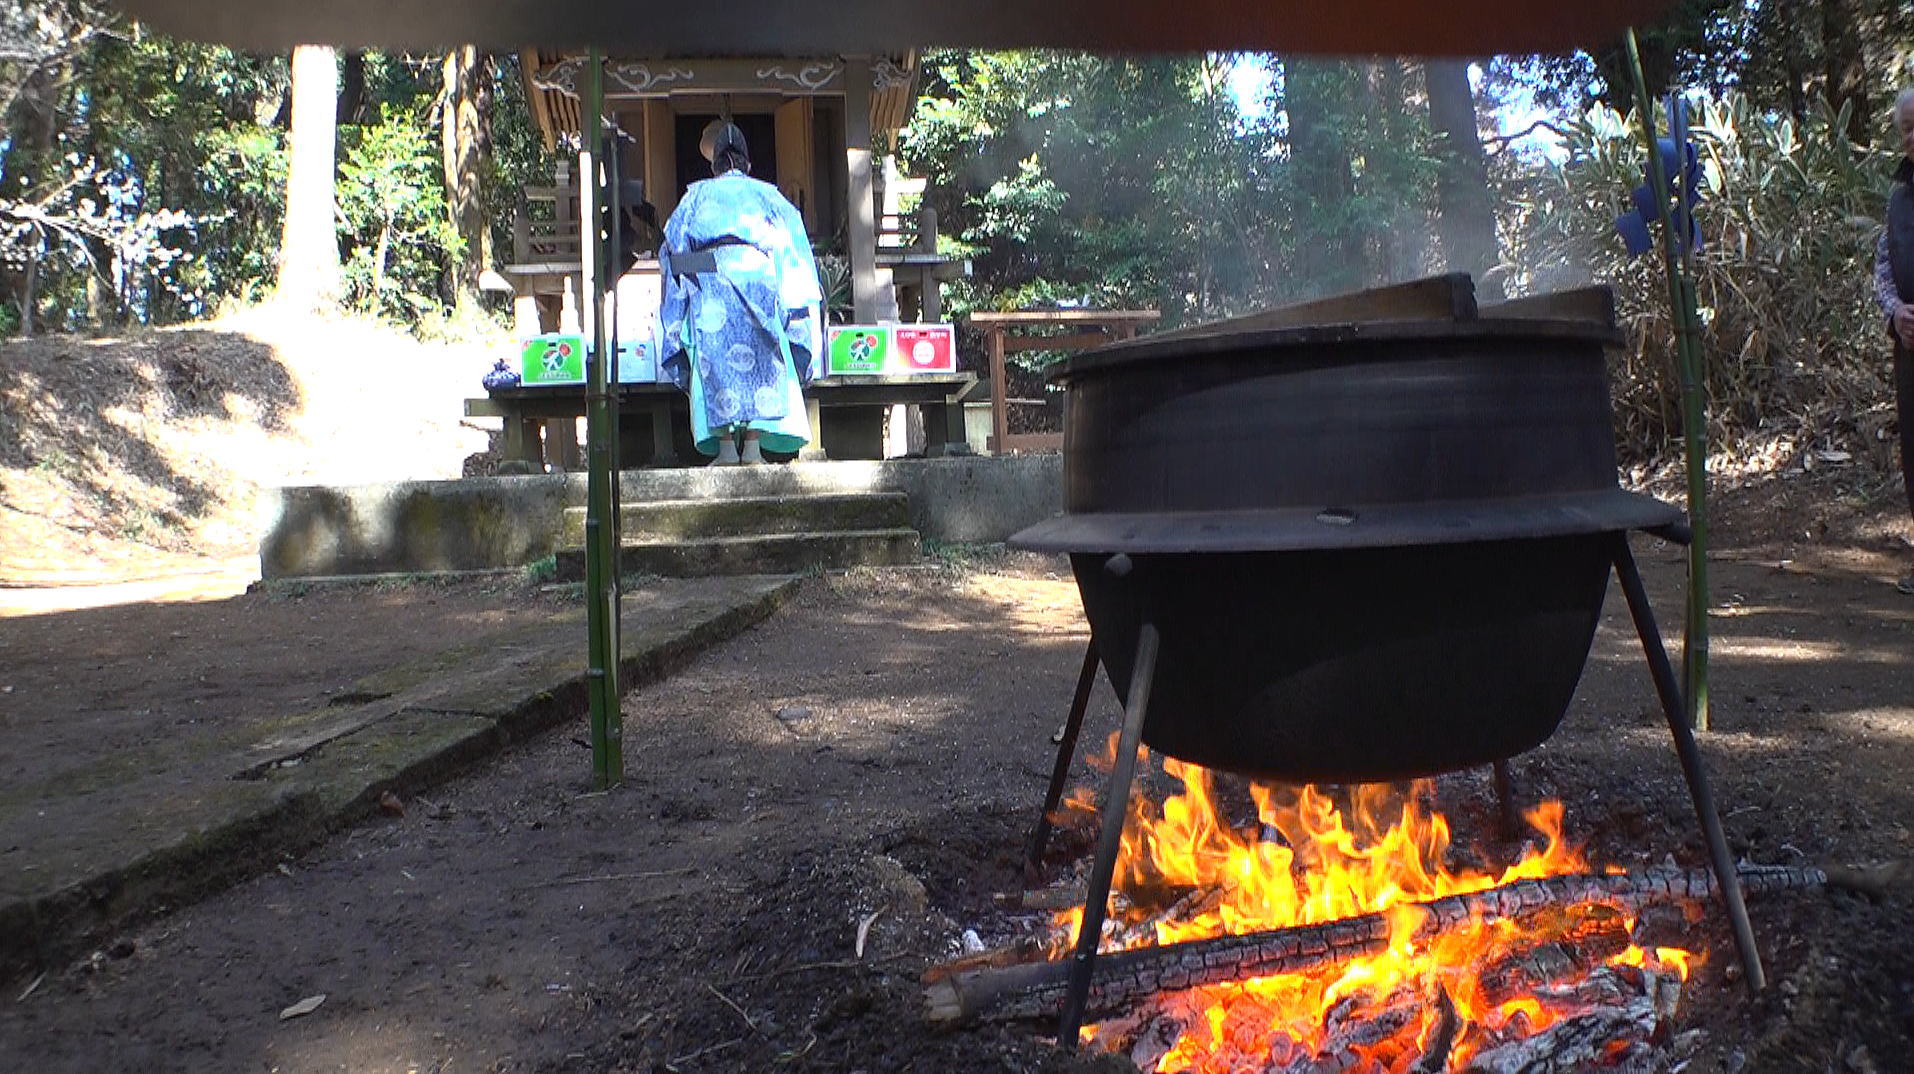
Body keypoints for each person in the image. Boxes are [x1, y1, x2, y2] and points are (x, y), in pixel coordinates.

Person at [658, 121, 823, 465]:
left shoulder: (696, 195)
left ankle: (725, 449)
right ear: (748, 165)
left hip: (710, 276)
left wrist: (696, 281)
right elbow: (791, 248)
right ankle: (752, 448)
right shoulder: (769, 195)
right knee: (762, 358)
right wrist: (789, 296)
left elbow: (673, 249)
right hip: (760, 275)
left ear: (714, 165)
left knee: (712, 356)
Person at [1875, 88, 1914, 594]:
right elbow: (1881, 269)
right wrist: (1895, 313)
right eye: (1906, 128)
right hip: (1909, 348)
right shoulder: (1897, 198)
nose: (1913, 136)